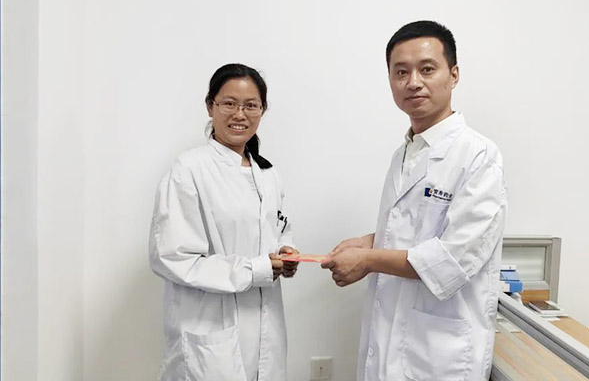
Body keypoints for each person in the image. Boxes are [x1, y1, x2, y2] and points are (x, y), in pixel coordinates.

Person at [321, 21, 508, 381]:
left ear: (453, 75)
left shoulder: (478, 155)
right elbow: (415, 229)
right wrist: (371, 241)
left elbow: (452, 259)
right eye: (401, 72)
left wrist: (368, 260)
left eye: (427, 69)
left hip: (439, 354)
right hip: (391, 340)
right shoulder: (404, 153)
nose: (413, 82)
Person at [149, 63, 298, 381]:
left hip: (266, 330)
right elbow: (172, 257)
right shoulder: (189, 170)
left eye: (251, 105)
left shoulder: (267, 174)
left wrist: (286, 252)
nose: (240, 114)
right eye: (229, 103)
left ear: (262, 110)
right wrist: (255, 269)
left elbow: (279, 228)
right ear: (210, 106)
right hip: (211, 333)